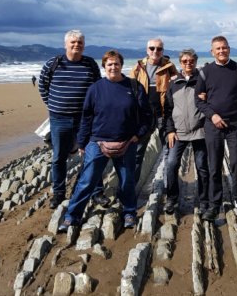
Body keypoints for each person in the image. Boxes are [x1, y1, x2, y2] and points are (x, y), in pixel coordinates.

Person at [58, 50, 153, 232]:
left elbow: (147, 116)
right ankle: (72, 216)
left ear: (121, 65)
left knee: (127, 181)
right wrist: (83, 142)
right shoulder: (95, 89)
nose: (113, 67)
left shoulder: (134, 87)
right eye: (109, 64)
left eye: (116, 63)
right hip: (98, 142)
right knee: (87, 181)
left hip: (126, 142)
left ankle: (129, 213)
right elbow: (86, 118)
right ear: (104, 67)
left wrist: (137, 135)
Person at [38, 30, 102, 209]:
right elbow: (43, 86)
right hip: (59, 118)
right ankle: (58, 193)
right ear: (65, 44)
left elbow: (97, 88)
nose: (76, 45)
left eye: (80, 42)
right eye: (73, 42)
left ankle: (97, 192)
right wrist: (53, 105)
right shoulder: (54, 63)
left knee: (92, 155)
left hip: (85, 119)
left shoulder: (90, 64)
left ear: (84, 45)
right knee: (59, 157)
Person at [195, 35, 237, 222]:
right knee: (214, 166)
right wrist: (212, 115)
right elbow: (198, 100)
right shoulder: (205, 71)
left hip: (236, 123)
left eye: (224, 48)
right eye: (218, 48)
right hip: (213, 125)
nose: (222, 51)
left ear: (229, 49)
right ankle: (215, 203)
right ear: (212, 51)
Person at [163, 49, 209, 215]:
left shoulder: (203, 80)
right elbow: (168, 110)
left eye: (191, 61)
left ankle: (204, 201)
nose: (188, 63)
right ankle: (172, 199)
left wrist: (207, 124)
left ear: (196, 62)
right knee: (171, 164)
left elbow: (210, 104)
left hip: (199, 131)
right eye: (184, 61)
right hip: (179, 132)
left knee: (202, 167)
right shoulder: (174, 83)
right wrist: (170, 131)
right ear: (180, 63)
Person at [130, 38, 178, 182]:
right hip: (143, 116)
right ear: (147, 50)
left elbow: (178, 85)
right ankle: (130, 191)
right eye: (152, 48)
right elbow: (129, 90)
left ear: (163, 51)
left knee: (170, 152)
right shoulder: (138, 67)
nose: (155, 51)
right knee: (137, 153)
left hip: (163, 115)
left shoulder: (169, 66)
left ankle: (168, 188)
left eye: (159, 49)